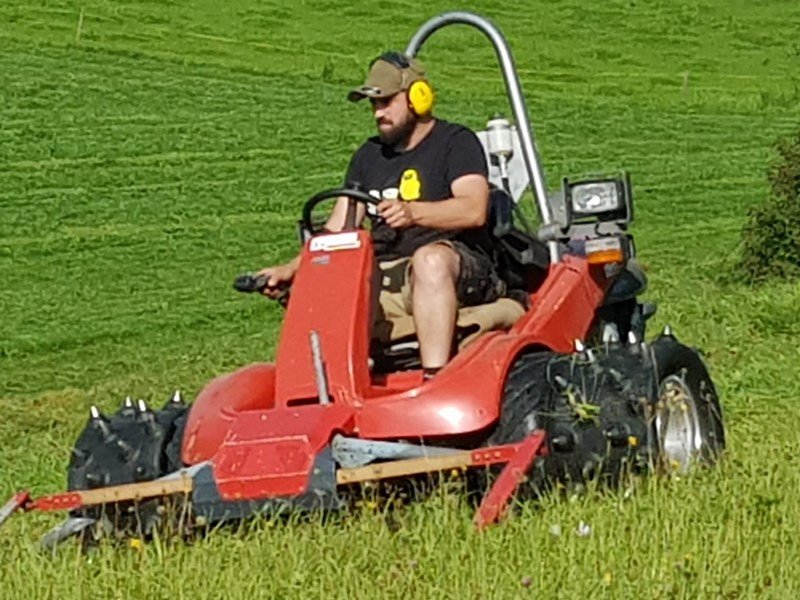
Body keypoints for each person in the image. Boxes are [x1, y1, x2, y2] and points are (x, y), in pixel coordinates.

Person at [258, 51, 505, 377]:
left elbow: (473, 209)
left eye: (387, 102)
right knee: (340, 270)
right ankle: (336, 382)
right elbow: (337, 231)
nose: (378, 113)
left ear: (419, 97)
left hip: (458, 267)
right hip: (389, 273)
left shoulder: (456, 143)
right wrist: (290, 270)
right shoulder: (368, 155)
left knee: (429, 260)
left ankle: (435, 377)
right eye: (374, 104)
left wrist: (413, 212)